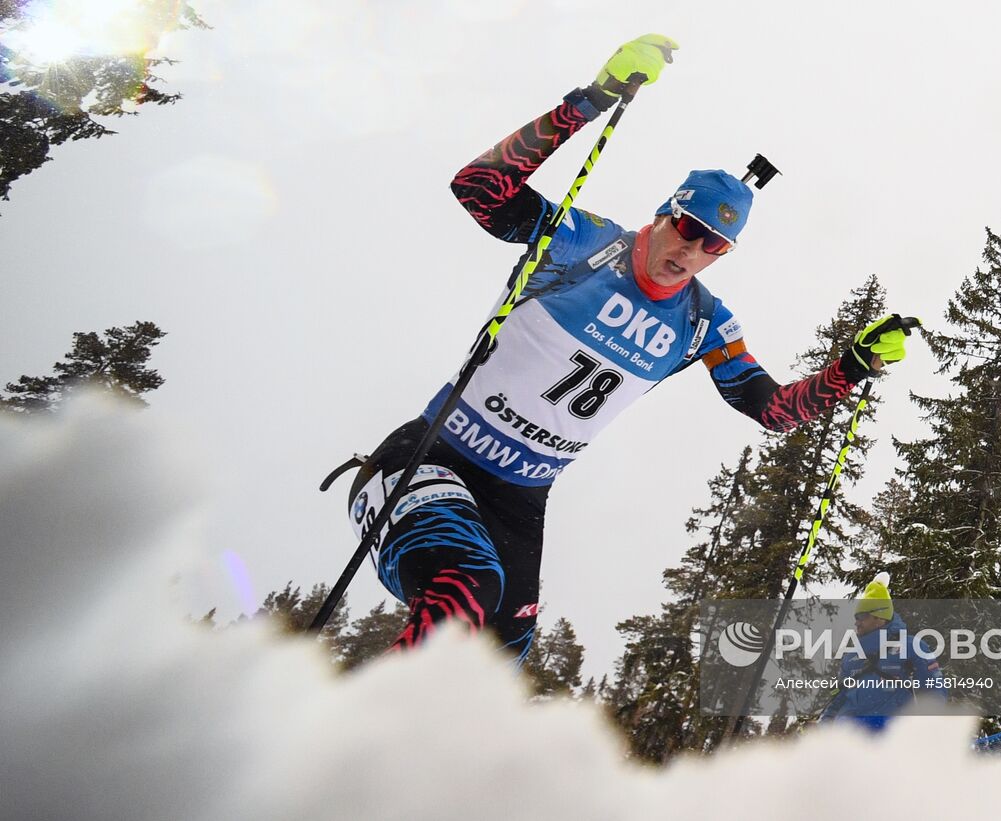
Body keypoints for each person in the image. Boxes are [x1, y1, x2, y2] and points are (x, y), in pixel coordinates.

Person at [344, 34, 919, 664]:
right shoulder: (581, 243)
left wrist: (853, 366)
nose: (691, 253)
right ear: (665, 213)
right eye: (689, 229)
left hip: (520, 500)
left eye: (714, 247)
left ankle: (407, 756)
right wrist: (589, 102)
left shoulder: (704, 322)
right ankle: (344, 743)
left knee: (498, 657)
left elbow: (773, 410)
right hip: (433, 457)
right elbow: (478, 187)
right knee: (465, 594)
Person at [820, 573, 945, 731]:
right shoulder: (851, 655)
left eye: (862, 616)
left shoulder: (912, 646)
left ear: (880, 618)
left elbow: (933, 691)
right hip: (847, 739)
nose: (857, 622)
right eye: (856, 617)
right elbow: (839, 698)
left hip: (889, 738)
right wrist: (824, 728)